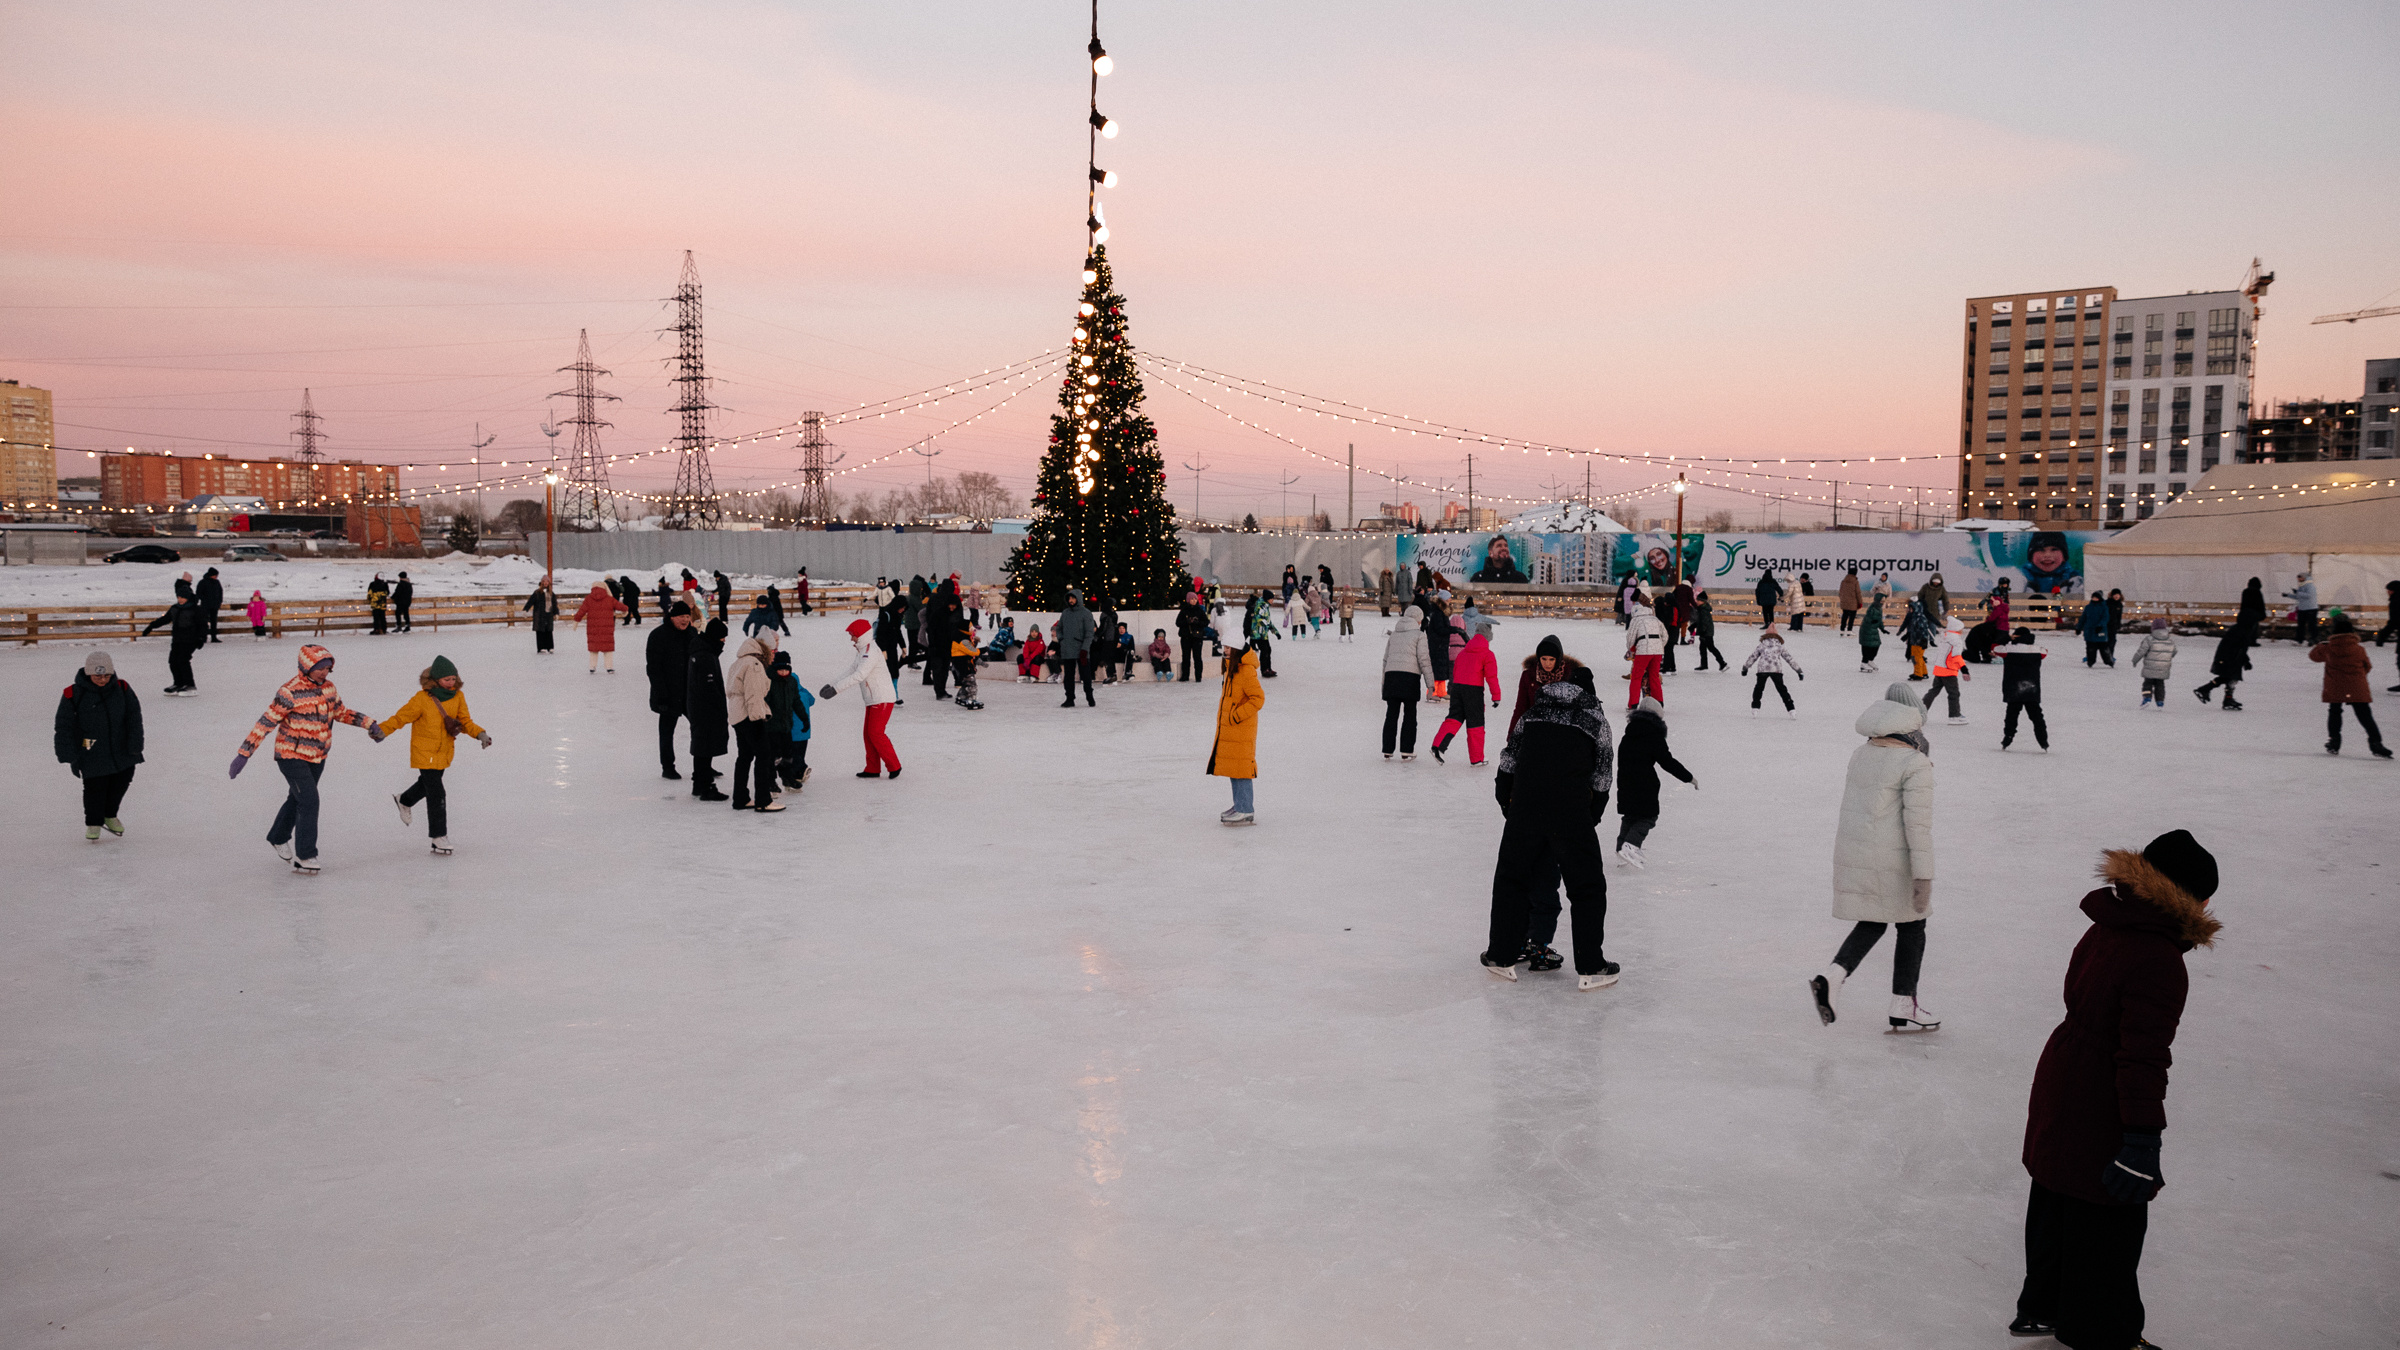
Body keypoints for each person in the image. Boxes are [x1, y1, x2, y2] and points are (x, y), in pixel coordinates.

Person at [2013, 831, 2221, 1348]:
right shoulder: (2159, 959)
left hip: (2064, 1071)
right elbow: (2143, 1058)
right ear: (2187, 897)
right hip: (2103, 1092)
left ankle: (2042, 1306)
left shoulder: (2110, 920)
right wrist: (2141, 1138)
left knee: (2058, 1191)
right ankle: (2104, 1333)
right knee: (2112, 1217)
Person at [1482, 647, 1617, 989]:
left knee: (1512, 879)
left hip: (1526, 808)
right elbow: (1602, 775)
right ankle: (1591, 966)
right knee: (1587, 887)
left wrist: (1507, 805)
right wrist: (1592, 815)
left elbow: (1508, 761)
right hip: (1570, 811)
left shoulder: (1533, 716)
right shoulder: (1595, 719)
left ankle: (1500, 955)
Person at [1808, 685, 1938, 1033]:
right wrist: (1923, 876)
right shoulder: (1914, 763)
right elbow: (1917, 826)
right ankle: (1902, 1002)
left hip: (1859, 851)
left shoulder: (1862, 752)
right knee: (1913, 924)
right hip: (1895, 859)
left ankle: (1835, 976)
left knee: (1876, 920)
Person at [229, 644, 385, 875]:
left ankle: (278, 836)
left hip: (318, 755)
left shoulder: (329, 688)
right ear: (306, 666)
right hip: (291, 754)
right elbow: (266, 722)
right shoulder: (289, 691)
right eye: (319, 668)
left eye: (327, 668)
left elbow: (340, 712)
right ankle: (306, 856)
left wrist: (368, 723)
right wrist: (244, 754)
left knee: (298, 798)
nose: (323, 673)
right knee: (310, 801)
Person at [378, 654, 490, 854]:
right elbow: (400, 717)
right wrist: (383, 730)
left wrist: (480, 734)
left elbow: (464, 721)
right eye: (447, 680)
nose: (451, 683)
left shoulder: (458, 696)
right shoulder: (421, 699)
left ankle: (404, 800)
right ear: (436, 679)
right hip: (424, 751)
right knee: (437, 792)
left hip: (444, 751)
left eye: (453, 679)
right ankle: (439, 837)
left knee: (427, 785)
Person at [55, 649, 143, 842]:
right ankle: (94, 822)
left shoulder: (123, 688)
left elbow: (134, 718)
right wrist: (66, 752)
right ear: (88, 674)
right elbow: (64, 725)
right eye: (97, 675)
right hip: (89, 745)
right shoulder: (73, 693)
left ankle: (110, 815)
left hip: (121, 745)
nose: (102, 680)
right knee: (95, 785)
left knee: (121, 781)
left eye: (106, 675)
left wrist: (136, 743)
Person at [1613, 695, 1693, 868]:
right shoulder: (1653, 736)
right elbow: (1667, 761)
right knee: (1648, 817)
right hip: (1645, 784)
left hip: (1625, 782)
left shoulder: (1629, 734)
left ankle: (1622, 850)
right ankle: (1630, 846)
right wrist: (1688, 777)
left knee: (1631, 816)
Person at [823, 617, 902, 779]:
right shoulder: (863, 650)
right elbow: (851, 669)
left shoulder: (870, 651)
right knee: (868, 734)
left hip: (882, 698)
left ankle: (894, 766)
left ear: (862, 635)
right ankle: (873, 768)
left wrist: (836, 690)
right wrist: (831, 684)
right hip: (873, 698)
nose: (851, 638)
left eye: (853, 635)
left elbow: (859, 675)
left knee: (876, 733)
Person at [1207, 626, 1265, 825]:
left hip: (1241, 727)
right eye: (1224, 647)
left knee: (1241, 769)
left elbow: (1258, 699)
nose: (1225, 651)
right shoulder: (1232, 668)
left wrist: (1236, 716)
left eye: (1228, 648)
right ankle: (1240, 805)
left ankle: (1246, 808)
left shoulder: (1246, 670)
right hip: (1232, 728)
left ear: (1237, 649)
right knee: (1234, 768)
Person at [2312, 613, 2389, 757]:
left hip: (2335, 686)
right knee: (2365, 715)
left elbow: (2313, 657)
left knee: (2335, 712)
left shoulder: (2328, 648)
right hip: (2356, 686)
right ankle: (2376, 742)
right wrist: (2357, 678)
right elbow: (2367, 666)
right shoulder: (2359, 649)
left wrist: (2320, 645)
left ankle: (2334, 741)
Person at [727, 632, 784, 813]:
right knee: (763, 755)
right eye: (772, 649)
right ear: (764, 649)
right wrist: (758, 717)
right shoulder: (754, 665)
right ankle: (763, 800)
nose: (774, 653)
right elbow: (754, 694)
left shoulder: (738, 663)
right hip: (749, 715)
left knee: (744, 756)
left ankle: (741, 798)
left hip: (737, 714)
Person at [1432, 622, 1503, 765]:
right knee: (1475, 724)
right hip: (1473, 691)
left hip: (1458, 689)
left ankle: (1438, 746)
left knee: (1454, 718)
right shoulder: (1487, 654)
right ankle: (1477, 758)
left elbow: (1456, 671)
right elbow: (1491, 677)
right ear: (1488, 637)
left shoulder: (1463, 652)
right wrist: (1496, 697)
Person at [647, 602, 695, 779]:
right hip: (667, 693)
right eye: (681, 616)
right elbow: (653, 668)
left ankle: (703, 764)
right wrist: (661, 694)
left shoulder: (691, 633)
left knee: (701, 729)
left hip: (689, 692)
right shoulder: (658, 636)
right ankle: (667, 767)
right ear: (672, 617)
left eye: (688, 616)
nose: (685, 620)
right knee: (667, 732)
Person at [1381, 605, 1434, 760]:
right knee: (1410, 714)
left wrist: (1384, 685)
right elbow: (1424, 660)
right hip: (1409, 678)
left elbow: (1385, 660)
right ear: (1418, 619)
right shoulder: (1419, 635)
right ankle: (1406, 749)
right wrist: (1430, 684)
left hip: (1392, 676)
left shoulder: (1394, 634)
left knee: (1391, 714)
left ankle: (1388, 749)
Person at [685, 619, 730, 799]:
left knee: (702, 744)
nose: (723, 643)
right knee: (705, 745)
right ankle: (705, 786)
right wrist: (720, 705)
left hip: (698, 706)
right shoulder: (706, 656)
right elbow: (708, 687)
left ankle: (699, 783)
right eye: (722, 639)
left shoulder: (700, 651)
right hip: (706, 709)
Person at [1999, 627, 2050, 751]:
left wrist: (2007, 638)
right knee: (2037, 716)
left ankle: (2008, 737)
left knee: (2011, 715)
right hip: (2031, 688)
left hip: (2014, 688)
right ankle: (2043, 740)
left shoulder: (2008, 649)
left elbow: (1995, 648)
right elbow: (2045, 652)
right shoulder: (2038, 650)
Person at [770, 649, 814, 789]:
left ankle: (788, 778)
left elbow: (796, 702)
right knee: (775, 756)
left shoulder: (791, 683)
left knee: (788, 756)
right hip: (773, 726)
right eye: (780, 670)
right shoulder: (770, 683)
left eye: (786, 670)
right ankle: (771, 781)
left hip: (787, 727)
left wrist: (804, 719)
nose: (783, 673)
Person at [2193, 619, 2256, 710]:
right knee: (2229, 677)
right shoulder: (2240, 630)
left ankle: (2222, 697)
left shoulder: (2242, 629)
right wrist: (2244, 661)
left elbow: (2241, 647)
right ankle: (2207, 691)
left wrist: (2246, 661)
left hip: (2232, 657)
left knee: (2229, 677)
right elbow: (2236, 646)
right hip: (2229, 657)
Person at [1740, 628, 1802, 717]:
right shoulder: (1779, 646)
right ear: (1777, 636)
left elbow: (1753, 657)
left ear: (1765, 635)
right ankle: (1791, 709)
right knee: (1782, 690)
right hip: (1776, 670)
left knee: (1759, 688)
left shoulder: (1761, 645)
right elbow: (1789, 659)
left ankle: (1755, 708)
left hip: (1763, 670)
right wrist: (1799, 671)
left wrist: (1745, 668)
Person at [1922, 615, 1972, 724]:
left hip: (1939, 669)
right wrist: (1964, 670)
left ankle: (1920, 710)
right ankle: (1954, 716)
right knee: (1954, 693)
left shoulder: (1945, 637)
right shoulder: (1956, 641)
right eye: (1961, 628)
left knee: (1933, 691)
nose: (1962, 630)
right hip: (1949, 671)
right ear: (1956, 629)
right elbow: (1957, 656)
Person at [1055, 587, 1098, 707]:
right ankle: (1069, 698)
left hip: (1081, 650)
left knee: (1086, 675)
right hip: (1068, 648)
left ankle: (1089, 696)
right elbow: (1059, 628)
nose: (1071, 600)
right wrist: (1061, 639)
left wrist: (1085, 649)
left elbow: (1089, 633)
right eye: (1069, 598)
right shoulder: (1065, 613)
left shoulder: (1086, 613)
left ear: (1078, 598)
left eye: (1073, 598)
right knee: (1068, 676)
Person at [571, 582, 621, 672]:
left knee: (594, 648)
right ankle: (609, 667)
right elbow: (620, 606)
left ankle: (592, 667)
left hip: (593, 628)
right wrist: (626, 610)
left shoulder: (588, 599)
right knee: (607, 648)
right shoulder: (609, 599)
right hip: (607, 628)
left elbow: (581, 611)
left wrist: (576, 620)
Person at [2129, 618, 2177, 709]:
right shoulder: (2170, 640)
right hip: (2164, 667)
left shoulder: (2149, 639)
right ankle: (2160, 702)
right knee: (2160, 684)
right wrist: (2166, 657)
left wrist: (2135, 660)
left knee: (2148, 682)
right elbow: (2174, 651)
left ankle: (2147, 698)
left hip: (2150, 666)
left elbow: (2141, 651)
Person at [164, 595, 208, 695]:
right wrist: (151, 626)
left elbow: (203, 625)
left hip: (191, 640)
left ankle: (190, 684)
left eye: (182, 597)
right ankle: (178, 683)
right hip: (177, 640)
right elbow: (166, 619)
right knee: (173, 661)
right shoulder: (175, 608)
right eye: (178, 597)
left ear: (188, 598)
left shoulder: (195, 609)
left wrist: (201, 638)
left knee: (183, 660)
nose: (180, 600)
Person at [2021, 531, 2081, 597]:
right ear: (2031, 557)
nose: (2047, 555)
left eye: (2054, 549)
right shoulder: (2021, 578)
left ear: (2064, 556)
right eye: (2041, 549)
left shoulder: (2075, 580)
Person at [1176, 586, 1210, 681]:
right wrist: (1187, 621)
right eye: (1192, 599)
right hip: (1186, 637)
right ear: (1188, 600)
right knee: (1186, 657)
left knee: (1197, 657)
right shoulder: (1184, 611)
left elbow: (1206, 622)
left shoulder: (1199, 610)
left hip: (1197, 637)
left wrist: (1197, 622)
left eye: (1195, 599)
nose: (1194, 601)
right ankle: (1185, 676)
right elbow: (1178, 623)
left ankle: (1198, 676)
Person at [950, 620, 985, 710]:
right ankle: (971, 699)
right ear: (964, 629)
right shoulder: (962, 639)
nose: (973, 629)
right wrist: (982, 650)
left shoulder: (964, 637)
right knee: (970, 681)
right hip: (962, 662)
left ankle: (961, 696)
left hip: (962, 661)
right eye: (970, 627)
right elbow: (971, 651)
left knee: (966, 681)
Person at [1691, 587, 1726, 671]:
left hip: (1707, 633)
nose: (1696, 601)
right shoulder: (1702, 609)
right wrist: (1693, 626)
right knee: (1702, 648)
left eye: (1698, 600)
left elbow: (1705, 622)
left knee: (1711, 647)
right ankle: (1704, 665)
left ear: (1702, 601)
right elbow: (1700, 621)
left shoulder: (1703, 610)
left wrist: (1702, 632)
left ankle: (1722, 663)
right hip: (1706, 632)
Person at [2077, 592, 2114, 668]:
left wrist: (2100, 625)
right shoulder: (2088, 607)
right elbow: (2083, 618)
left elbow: (2105, 617)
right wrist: (2079, 628)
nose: (2094, 599)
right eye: (2093, 597)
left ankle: (2108, 661)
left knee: (2103, 648)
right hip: (2089, 631)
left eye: (2096, 597)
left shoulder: (2104, 607)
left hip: (2100, 631)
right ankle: (2090, 661)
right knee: (2090, 648)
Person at [2284, 572, 2320, 646]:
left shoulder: (2310, 586)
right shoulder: (2301, 586)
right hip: (2302, 608)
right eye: (2298, 577)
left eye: (2300, 577)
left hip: (2311, 608)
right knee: (2300, 625)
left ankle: (2313, 639)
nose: (2298, 579)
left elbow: (2309, 596)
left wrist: (2297, 592)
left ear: (2305, 577)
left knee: (2312, 625)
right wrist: (2288, 595)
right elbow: (2299, 596)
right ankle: (2299, 640)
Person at [524, 581, 558, 653]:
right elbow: (530, 601)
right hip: (539, 615)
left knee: (549, 631)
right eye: (544, 582)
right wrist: (526, 609)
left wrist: (556, 613)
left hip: (548, 615)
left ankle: (550, 647)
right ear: (541, 584)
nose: (545, 584)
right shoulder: (537, 593)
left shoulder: (551, 594)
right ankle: (541, 647)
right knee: (540, 631)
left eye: (547, 583)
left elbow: (554, 604)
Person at [1857, 592, 1885, 673]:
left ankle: (1870, 660)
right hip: (1866, 630)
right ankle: (1864, 663)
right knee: (1867, 646)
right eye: (1881, 601)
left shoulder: (1879, 609)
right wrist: (1872, 621)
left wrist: (1882, 629)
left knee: (1876, 645)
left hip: (1873, 630)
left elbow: (1879, 620)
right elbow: (1867, 619)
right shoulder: (1872, 609)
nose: (1882, 602)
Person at [196, 566, 225, 643]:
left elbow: (220, 592)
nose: (216, 577)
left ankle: (213, 637)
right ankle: (203, 637)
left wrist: (219, 601)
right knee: (204, 621)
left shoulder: (217, 582)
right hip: (205, 605)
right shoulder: (202, 582)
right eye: (215, 575)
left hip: (215, 605)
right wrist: (205, 600)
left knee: (213, 621)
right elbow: (198, 593)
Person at [2103, 589, 2125, 665]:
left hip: (2113, 626)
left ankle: (2110, 656)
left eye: (2118, 595)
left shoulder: (2119, 605)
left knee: (2112, 641)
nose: (2116, 596)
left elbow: (2119, 616)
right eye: (2115, 594)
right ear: (2112, 595)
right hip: (2105, 625)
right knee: (2103, 641)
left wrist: (2118, 624)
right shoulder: (2107, 603)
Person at [1838, 568, 1862, 634]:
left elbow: (1840, 591)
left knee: (1844, 615)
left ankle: (1842, 629)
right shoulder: (1855, 582)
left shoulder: (1843, 581)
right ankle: (1849, 630)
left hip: (1844, 601)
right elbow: (1858, 593)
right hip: (1853, 602)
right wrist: (1860, 602)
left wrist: (1842, 599)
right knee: (1852, 617)